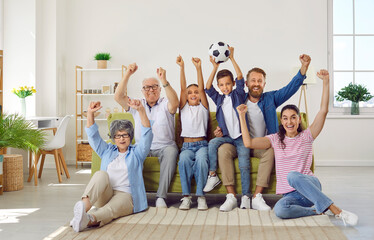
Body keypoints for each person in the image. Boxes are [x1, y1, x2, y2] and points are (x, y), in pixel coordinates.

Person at [237, 70, 358, 226]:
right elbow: (248, 143)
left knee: (292, 176)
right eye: (285, 118)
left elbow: (323, 110)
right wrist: (241, 116)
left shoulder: (307, 136)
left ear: (299, 120)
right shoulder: (275, 139)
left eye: (293, 117)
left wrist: (326, 81)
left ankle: (336, 210)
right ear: (282, 121)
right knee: (280, 210)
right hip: (293, 196)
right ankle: (317, 210)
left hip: (310, 185)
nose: (289, 122)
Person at [215, 54, 311, 212]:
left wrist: (304, 68)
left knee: (272, 151)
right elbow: (224, 114)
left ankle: (257, 197)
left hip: (262, 145)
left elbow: (290, 88)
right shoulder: (238, 98)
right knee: (223, 150)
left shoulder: (270, 98)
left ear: (264, 84)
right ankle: (231, 196)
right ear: (246, 83)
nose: (256, 84)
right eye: (253, 81)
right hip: (239, 143)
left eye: (259, 81)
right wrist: (220, 129)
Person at [70, 100, 153, 232]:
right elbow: (93, 136)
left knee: (110, 210)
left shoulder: (137, 153)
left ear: (130, 136)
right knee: (100, 174)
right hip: (106, 193)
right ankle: (83, 208)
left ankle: (88, 219)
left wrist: (141, 110)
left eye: (125, 135)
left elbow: (147, 135)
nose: (121, 138)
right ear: (113, 138)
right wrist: (90, 113)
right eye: (118, 136)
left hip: (126, 195)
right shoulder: (107, 150)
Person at [114, 63, 179, 208]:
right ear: (142, 91)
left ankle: (161, 197)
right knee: (132, 157)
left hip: (165, 146)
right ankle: (135, 196)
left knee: (171, 151)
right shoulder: (138, 104)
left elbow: (175, 102)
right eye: (147, 87)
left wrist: (163, 80)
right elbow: (118, 97)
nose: (151, 90)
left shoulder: (165, 103)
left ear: (159, 89)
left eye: (154, 86)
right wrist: (128, 74)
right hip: (142, 147)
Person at [203, 46, 251, 211]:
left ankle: (245, 197)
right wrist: (215, 67)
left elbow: (239, 77)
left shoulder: (238, 94)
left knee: (244, 164)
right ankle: (212, 175)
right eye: (222, 85)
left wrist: (232, 58)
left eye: (227, 84)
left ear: (232, 85)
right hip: (227, 137)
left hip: (241, 137)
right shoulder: (219, 99)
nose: (225, 87)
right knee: (212, 143)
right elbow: (207, 88)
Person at [176, 55, 209, 211]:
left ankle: (201, 196)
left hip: (202, 144)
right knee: (183, 160)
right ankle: (187, 197)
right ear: (187, 97)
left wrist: (198, 68)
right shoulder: (183, 108)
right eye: (190, 93)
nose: (194, 94)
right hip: (187, 146)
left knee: (202, 161)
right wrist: (182, 68)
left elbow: (202, 89)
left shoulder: (204, 108)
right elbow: (182, 89)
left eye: (196, 92)